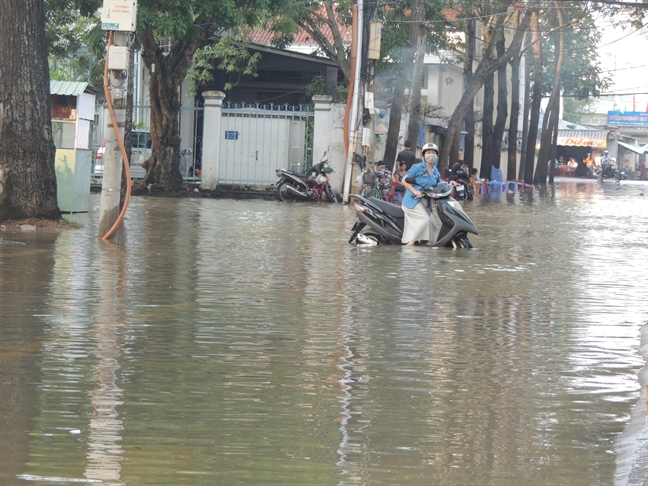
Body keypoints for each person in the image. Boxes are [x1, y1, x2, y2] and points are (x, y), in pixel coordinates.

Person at [399, 142, 442, 246]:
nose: (431, 155)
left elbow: (439, 183)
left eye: (433, 153)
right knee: (425, 221)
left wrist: (450, 184)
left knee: (432, 225)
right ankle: (410, 244)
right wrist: (415, 191)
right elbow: (404, 180)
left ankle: (423, 246)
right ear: (424, 155)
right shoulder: (417, 168)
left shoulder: (435, 170)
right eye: (428, 152)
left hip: (426, 203)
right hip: (413, 201)